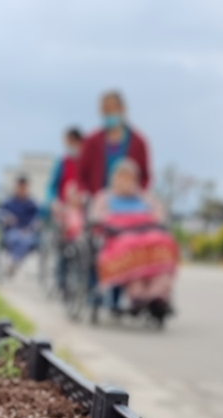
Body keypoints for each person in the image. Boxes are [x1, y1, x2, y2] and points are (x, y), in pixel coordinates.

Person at [90, 158, 178, 319]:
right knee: (131, 246)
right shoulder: (105, 198)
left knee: (165, 242)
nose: (126, 182)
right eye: (122, 177)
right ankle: (138, 296)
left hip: (148, 234)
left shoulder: (145, 198)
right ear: (114, 178)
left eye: (130, 178)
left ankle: (158, 296)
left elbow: (159, 217)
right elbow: (98, 220)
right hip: (120, 236)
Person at [78, 90, 151, 196]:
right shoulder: (91, 142)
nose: (110, 113)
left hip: (129, 205)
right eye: (106, 110)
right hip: (97, 204)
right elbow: (81, 175)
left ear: (123, 109)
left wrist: (136, 195)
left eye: (113, 109)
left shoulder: (139, 142)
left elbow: (144, 177)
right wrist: (86, 196)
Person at [0, 176, 41, 273]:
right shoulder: (8, 202)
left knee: (26, 240)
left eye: (24, 187)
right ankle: (15, 262)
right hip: (12, 231)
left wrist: (33, 226)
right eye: (20, 187)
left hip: (27, 232)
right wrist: (6, 217)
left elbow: (37, 219)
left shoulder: (32, 204)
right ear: (16, 187)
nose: (22, 190)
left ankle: (14, 262)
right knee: (15, 238)